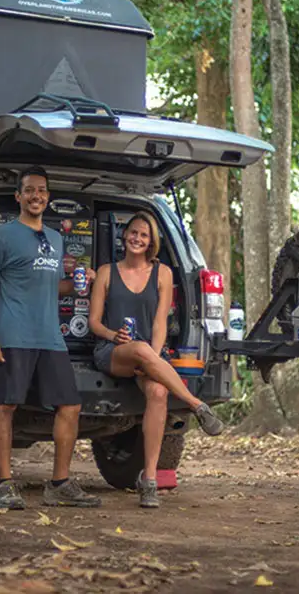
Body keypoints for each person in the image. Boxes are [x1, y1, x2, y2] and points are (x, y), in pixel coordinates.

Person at [0, 166, 100, 510]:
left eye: (42, 191)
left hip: (50, 337)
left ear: (48, 196)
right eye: (29, 190)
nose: (36, 196)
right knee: (6, 405)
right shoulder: (0, 237)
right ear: (18, 196)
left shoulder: (55, 238)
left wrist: (80, 282)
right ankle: (4, 483)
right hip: (14, 334)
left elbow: (54, 285)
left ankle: (59, 483)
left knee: (70, 406)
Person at [88, 211, 224, 509]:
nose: (137, 238)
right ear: (124, 236)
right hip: (114, 351)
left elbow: (161, 321)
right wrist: (113, 336)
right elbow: (94, 323)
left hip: (151, 353)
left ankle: (148, 479)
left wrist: (154, 355)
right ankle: (195, 404)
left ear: (152, 242)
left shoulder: (163, 274)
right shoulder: (107, 272)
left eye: (144, 235)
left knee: (159, 392)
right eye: (133, 233)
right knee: (138, 349)